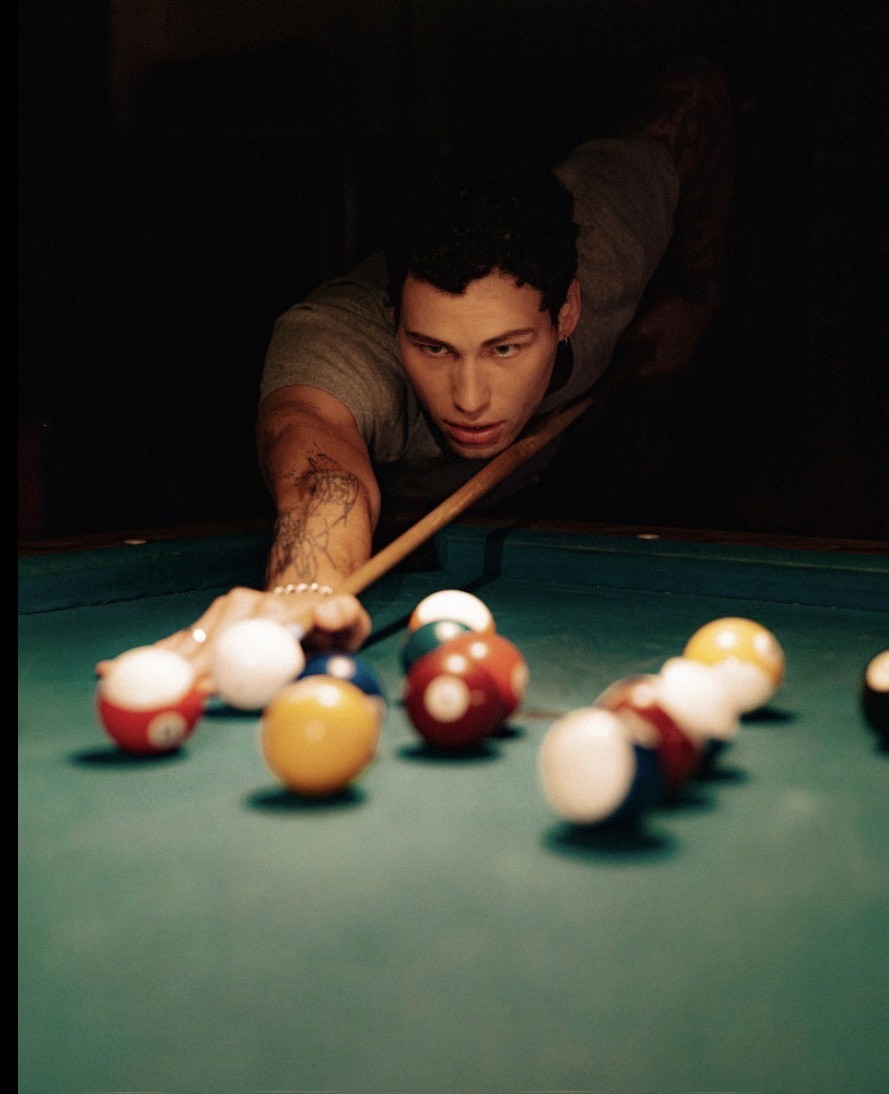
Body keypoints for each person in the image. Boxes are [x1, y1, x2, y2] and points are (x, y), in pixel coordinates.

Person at [98, 58, 736, 691]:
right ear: (393, 313)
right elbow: (325, 481)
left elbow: (693, 107)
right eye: (431, 348)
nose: (469, 398)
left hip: (570, 496)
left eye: (506, 349)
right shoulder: (333, 343)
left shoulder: (610, 238)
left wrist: (696, 290)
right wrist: (305, 590)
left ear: (566, 309)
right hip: (386, 526)